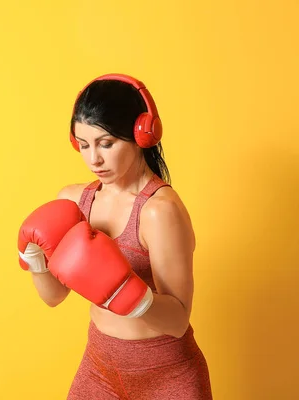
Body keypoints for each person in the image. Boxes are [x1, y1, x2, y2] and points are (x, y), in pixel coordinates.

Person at [17, 74, 213, 399]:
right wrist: (35, 260)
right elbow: (54, 297)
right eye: (83, 145)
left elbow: (178, 321)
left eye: (106, 143)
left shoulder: (158, 211)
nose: (93, 158)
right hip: (99, 367)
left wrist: (129, 296)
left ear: (140, 135)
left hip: (165, 376)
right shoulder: (74, 202)